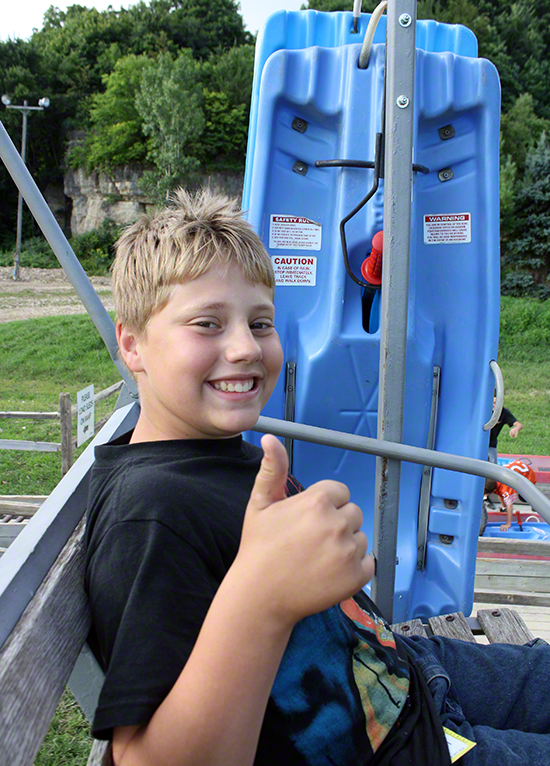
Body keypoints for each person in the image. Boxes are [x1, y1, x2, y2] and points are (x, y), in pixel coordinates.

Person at [85, 189, 550, 766]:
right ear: (132, 344)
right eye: (206, 324)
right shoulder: (150, 514)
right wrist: (263, 597)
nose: (244, 348)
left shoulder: (215, 452)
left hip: (413, 676)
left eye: (261, 323)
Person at [485, 460, 537, 531]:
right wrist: (504, 508)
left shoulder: (505, 486)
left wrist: (508, 523)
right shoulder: (495, 478)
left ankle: (535, 504)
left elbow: (510, 505)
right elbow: (500, 494)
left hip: (528, 477)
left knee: (523, 498)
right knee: (504, 495)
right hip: (518, 468)